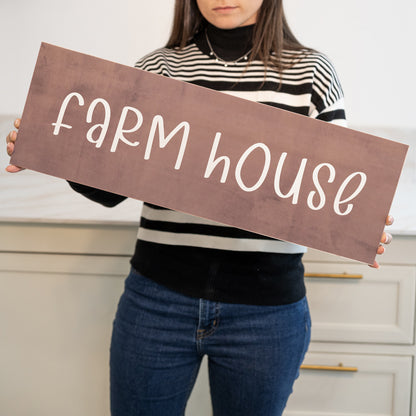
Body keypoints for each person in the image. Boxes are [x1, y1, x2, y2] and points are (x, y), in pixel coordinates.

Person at [6, 0, 394, 415]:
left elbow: (332, 189)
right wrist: (53, 149)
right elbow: (109, 188)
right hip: (157, 301)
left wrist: (362, 221)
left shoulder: (311, 72)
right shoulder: (158, 69)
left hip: (265, 314)